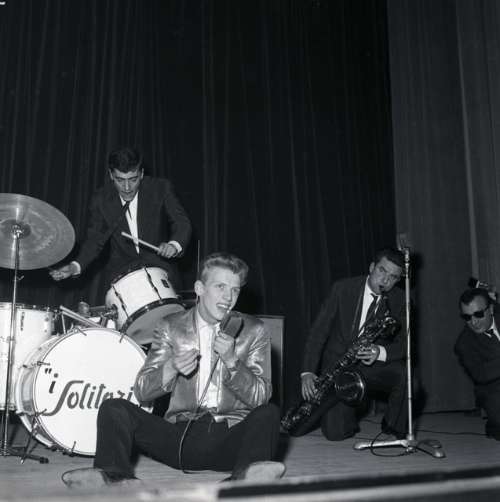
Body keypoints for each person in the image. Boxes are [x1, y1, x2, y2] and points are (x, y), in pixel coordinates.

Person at [62, 252, 285, 488]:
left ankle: (244, 480)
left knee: (269, 413)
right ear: (199, 288)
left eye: (235, 289)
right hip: (179, 439)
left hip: (231, 440)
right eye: (220, 286)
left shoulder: (254, 330)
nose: (228, 297)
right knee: (113, 408)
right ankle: (114, 476)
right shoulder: (170, 326)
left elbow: (261, 397)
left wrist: (232, 362)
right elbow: (142, 390)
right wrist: (171, 368)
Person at [297, 247, 408, 440]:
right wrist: (307, 372)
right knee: (335, 433)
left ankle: (392, 426)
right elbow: (318, 332)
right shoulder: (342, 289)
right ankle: (355, 407)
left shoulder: (401, 300)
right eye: (382, 271)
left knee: (408, 377)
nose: (385, 280)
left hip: (372, 367)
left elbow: (407, 345)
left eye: (393, 277)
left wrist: (380, 352)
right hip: (339, 366)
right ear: (372, 267)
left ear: (398, 280)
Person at [49, 146, 191, 289]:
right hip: (122, 275)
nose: (127, 188)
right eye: (120, 180)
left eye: (133, 179)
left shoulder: (160, 189)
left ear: (141, 174)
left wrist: (174, 245)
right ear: (111, 175)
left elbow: (181, 223)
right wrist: (75, 266)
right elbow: (95, 240)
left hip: (161, 270)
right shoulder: (101, 199)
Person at [455, 287, 500, 440]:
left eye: (478, 314)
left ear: (491, 309)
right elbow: (481, 374)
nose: (473, 322)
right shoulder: (463, 344)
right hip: (493, 389)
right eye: (467, 317)